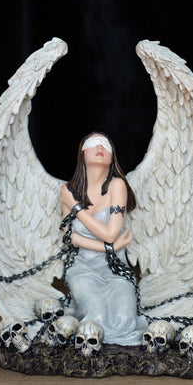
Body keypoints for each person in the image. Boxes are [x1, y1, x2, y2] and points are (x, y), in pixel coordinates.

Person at [60, 131, 148, 346]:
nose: (100, 147)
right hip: (82, 269)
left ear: (112, 156)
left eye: (106, 145)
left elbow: (110, 234)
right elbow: (69, 238)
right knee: (96, 316)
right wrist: (110, 247)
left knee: (125, 320)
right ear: (82, 153)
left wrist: (76, 207)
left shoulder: (117, 186)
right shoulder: (70, 190)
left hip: (115, 270)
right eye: (94, 143)